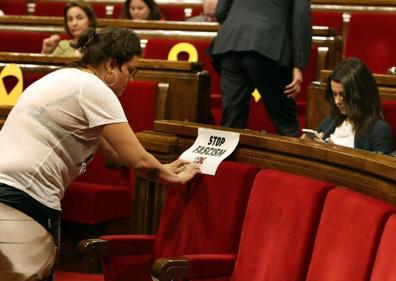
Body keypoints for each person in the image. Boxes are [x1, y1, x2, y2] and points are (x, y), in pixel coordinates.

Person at [0, 26, 200, 280]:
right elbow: (137, 161)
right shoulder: (94, 89)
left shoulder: (67, 78)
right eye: (130, 71)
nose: (132, 79)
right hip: (27, 195)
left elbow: (114, 156)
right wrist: (176, 178)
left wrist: (164, 166)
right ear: (110, 65)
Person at [210, 0, 312, 136]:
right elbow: (301, 18)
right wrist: (298, 65)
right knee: (286, 123)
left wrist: (243, 24)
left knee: (231, 122)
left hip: (230, 43)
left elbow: (220, 12)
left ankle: (228, 156)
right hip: (268, 43)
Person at [302, 58, 393, 154]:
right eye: (334, 94)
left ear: (359, 94)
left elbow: (378, 168)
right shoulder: (332, 119)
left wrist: (336, 154)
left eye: (343, 95)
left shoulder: (379, 130)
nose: (337, 101)